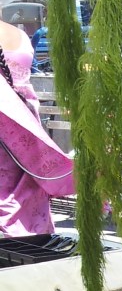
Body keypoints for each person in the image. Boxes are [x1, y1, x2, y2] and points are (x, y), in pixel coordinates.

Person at [0, 17, 75, 240]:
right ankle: (32, 241)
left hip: (9, 124)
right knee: (28, 186)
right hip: (25, 125)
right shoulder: (20, 35)